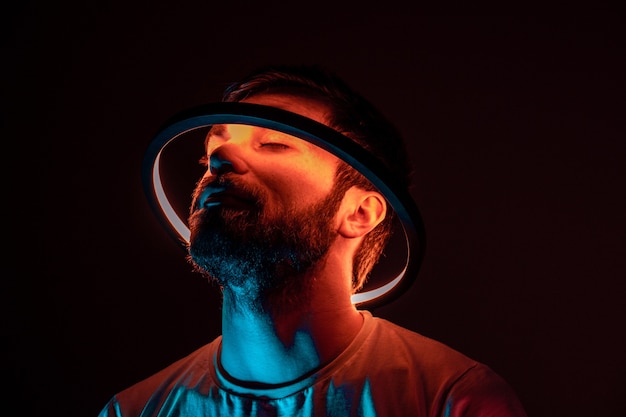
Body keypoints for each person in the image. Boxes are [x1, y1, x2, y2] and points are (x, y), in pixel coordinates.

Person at [98, 64, 528, 416]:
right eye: (212, 148)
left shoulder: (450, 400)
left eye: (274, 142)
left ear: (359, 212)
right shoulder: (136, 411)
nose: (220, 157)